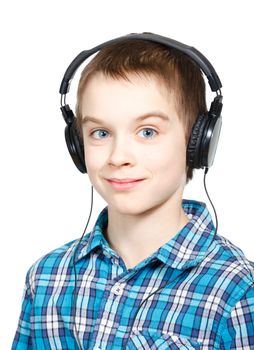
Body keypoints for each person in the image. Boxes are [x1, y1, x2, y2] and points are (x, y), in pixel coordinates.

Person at [12, 33, 254, 349]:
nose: (118, 157)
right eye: (100, 133)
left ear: (199, 142)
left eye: (147, 132)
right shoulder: (46, 278)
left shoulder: (236, 291)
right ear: (77, 145)